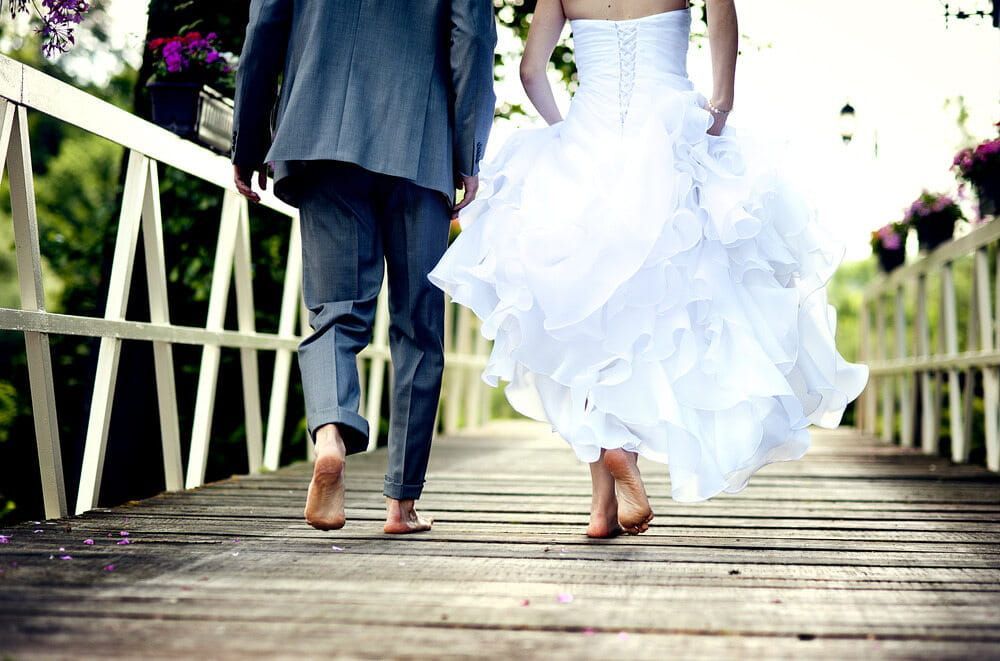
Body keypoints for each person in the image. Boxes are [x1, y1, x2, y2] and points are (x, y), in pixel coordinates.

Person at [429, 0, 869, 537]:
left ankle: (603, 499)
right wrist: (722, 103)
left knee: (587, 321)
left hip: (587, 143)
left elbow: (530, 70)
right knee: (654, 322)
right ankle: (616, 470)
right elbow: (722, 12)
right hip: (669, 138)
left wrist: (562, 129)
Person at [231, 0, 497, 534]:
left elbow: (263, 26)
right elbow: (471, 37)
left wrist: (249, 140)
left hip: (319, 133)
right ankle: (401, 504)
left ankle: (331, 435)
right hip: (420, 142)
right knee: (418, 327)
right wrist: (469, 152)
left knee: (336, 312)